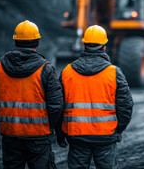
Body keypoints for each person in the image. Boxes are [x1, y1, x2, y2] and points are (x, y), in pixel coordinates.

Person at [0, 20, 63, 168]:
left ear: (15, 40)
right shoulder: (45, 69)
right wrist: (48, 127)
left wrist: (7, 120)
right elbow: (56, 105)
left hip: (10, 137)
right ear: (37, 41)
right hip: (39, 137)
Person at [57, 25, 133, 169]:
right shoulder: (114, 73)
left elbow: (58, 105)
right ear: (104, 47)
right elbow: (126, 106)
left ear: (84, 45)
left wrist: (60, 133)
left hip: (76, 136)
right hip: (105, 136)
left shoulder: (67, 72)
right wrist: (118, 130)